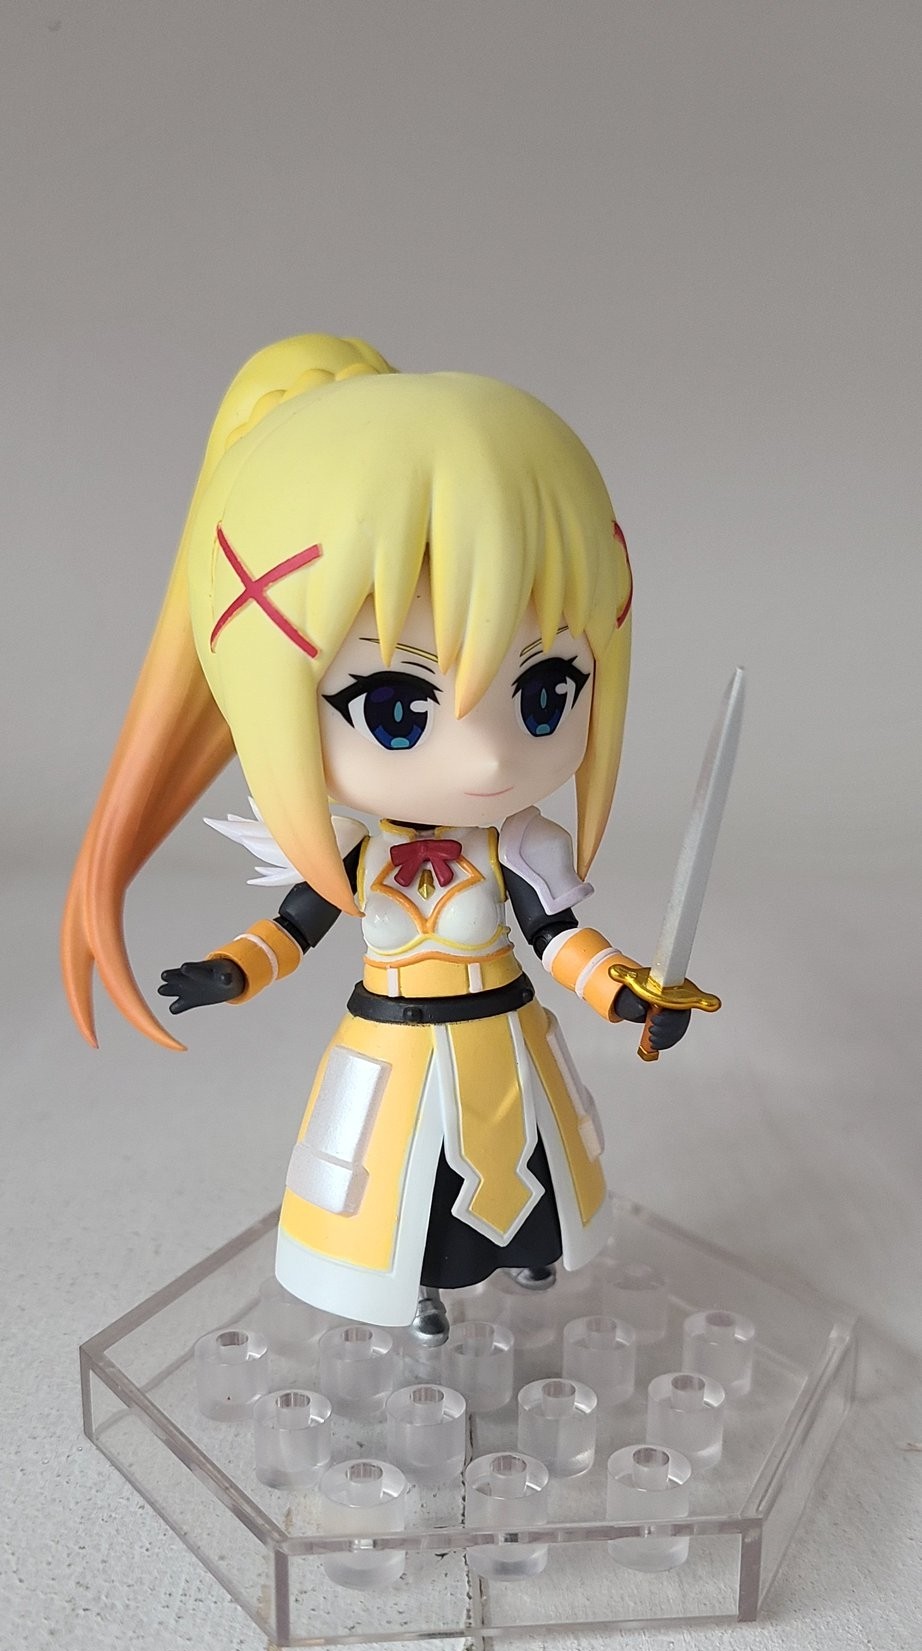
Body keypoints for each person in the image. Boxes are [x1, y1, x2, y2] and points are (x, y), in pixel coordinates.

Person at [62, 333, 689, 1342]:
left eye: (544, 692)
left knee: (525, 1162)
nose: (488, 757)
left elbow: (562, 940)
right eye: (397, 707)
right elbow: (293, 928)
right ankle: (418, 1289)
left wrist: (631, 994)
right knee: (400, 1185)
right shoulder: (358, 856)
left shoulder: (515, 850)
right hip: (395, 1048)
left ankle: (528, 1256)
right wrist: (233, 970)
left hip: (504, 1033)